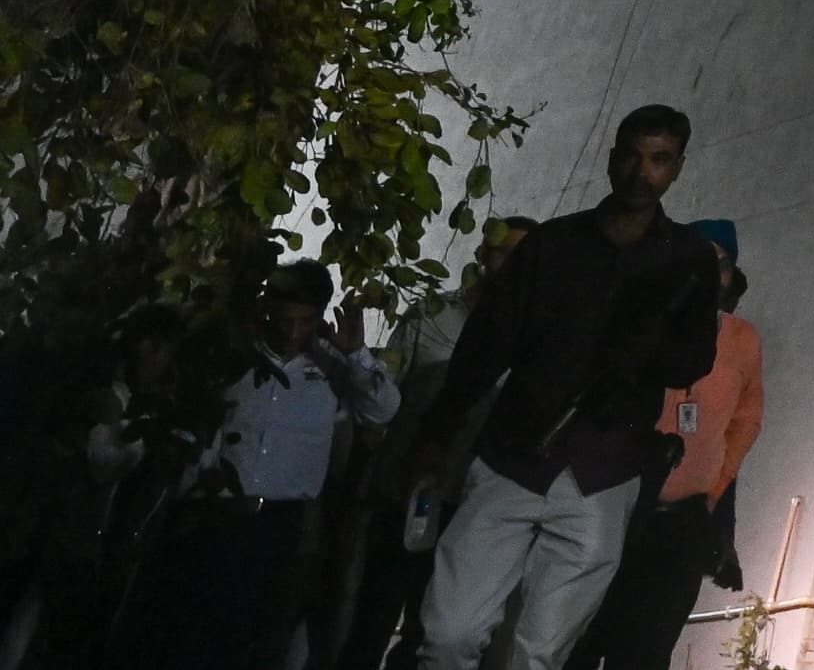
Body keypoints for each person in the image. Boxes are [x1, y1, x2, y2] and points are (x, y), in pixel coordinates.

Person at [413, 105, 725, 670]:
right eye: (631, 156)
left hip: (604, 470)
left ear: (677, 168)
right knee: (448, 635)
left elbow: (693, 361)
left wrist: (647, 347)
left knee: (541, 654)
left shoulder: (687, 259)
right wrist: (438, 435)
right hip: (514, 453)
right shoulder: (554, 244)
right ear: (612, 159)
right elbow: (485, 346)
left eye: (658, 160)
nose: (641, 172)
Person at [132, 260, 398, 669]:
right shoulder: (235, 359)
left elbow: (382, 410)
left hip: (282, 530)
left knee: (255, 646)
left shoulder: (332, 367)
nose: (293, 333)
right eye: (285, 319)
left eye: (305, 321)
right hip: (213, 517)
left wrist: (357, 356)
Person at [339, 216, 534, 670]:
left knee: (432, 632)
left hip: (470, 506)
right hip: (404, 494)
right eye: (506, 252)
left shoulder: (534, 339)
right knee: (369, 617)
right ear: (485, 255)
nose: (513, 266)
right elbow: (387, 392)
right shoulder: (433, 315)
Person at [565, 225, 764, 670]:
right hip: (614, 509)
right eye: (698, 263)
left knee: (646, 651)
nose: (710, 276)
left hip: (682, 523)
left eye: (721, 265)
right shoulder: (640, 323)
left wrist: (715, 489)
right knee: (577, 639)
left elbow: (746, 420)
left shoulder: (741, 340)